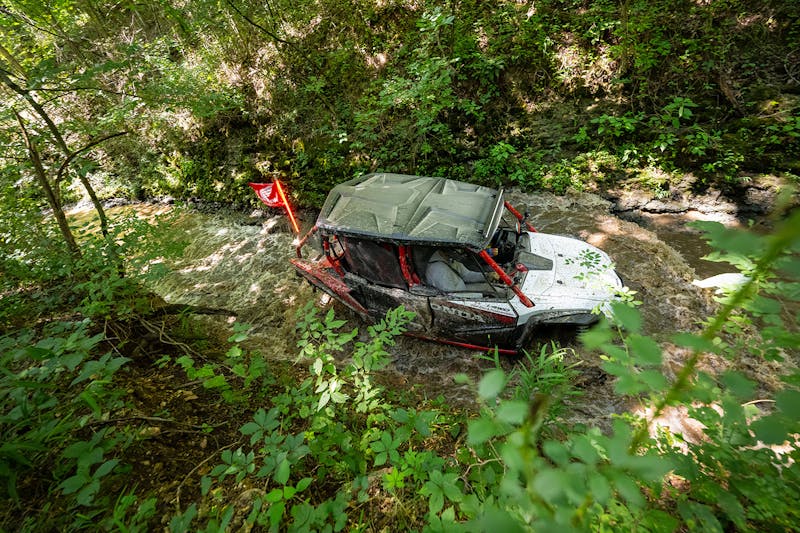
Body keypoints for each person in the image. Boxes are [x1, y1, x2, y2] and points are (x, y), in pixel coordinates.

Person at [426, 250, 493, 293]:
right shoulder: (438, 269)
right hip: (457, 297)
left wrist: (488, 276)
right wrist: (481, 296)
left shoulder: (450, 259)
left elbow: (466, 275)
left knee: (490, 288)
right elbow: (451, 296)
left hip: (462, 289)